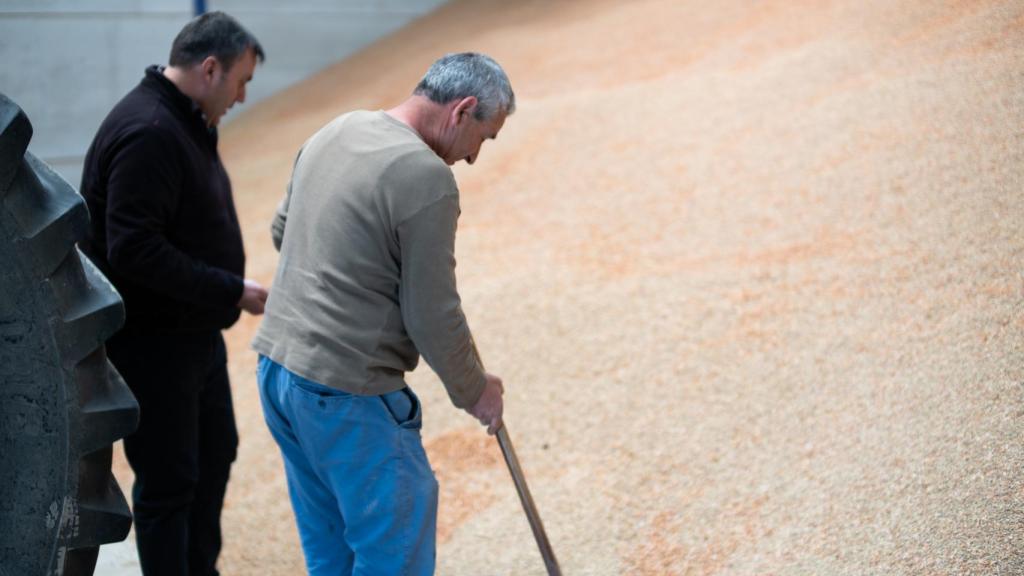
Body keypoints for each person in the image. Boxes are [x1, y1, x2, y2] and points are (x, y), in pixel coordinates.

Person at [251, 52, 514, 575]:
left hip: (279, 372)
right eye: (484, 138)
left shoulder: (338, 129)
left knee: (332, 554)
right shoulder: (426, 178)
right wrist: (474, 389)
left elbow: (284, 232)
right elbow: (432, 311)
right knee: (392, 552)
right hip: (347, 391)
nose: (473, 158)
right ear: (462, 111)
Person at [78, 11, 268, 576]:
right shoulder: (150, 131)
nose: (242, 96)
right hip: (154, 346)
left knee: (215, 455)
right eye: (242, 81)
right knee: (168, 484)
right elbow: (133, 248)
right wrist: (230, 288)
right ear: (211, 69)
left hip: (192, 338)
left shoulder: (181, 119)